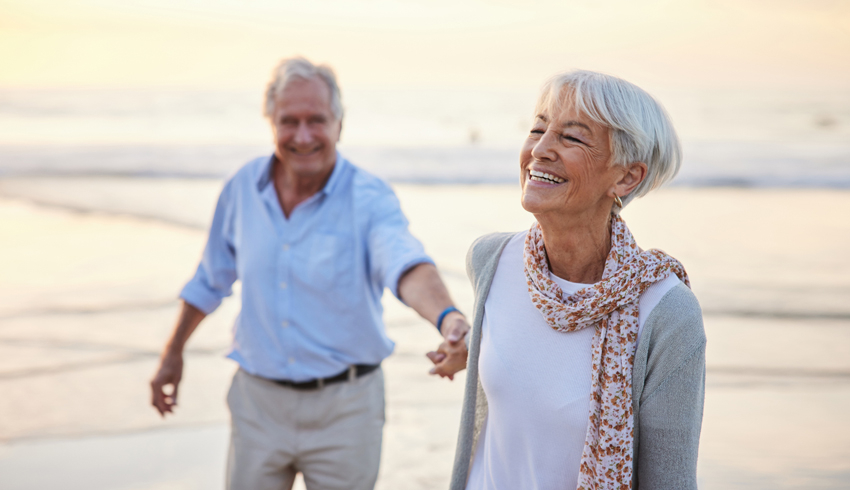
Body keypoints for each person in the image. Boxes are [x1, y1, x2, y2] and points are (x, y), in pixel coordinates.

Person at [149, 57, 469, 490]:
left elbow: (406, 264)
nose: (302, 136)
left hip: (347, 411)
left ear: (339, 123)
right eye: (289, 121)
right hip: (257, 407)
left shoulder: (369, 197)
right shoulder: (242, 189)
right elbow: (210, 279)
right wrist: (173, 353)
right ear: (271, 122)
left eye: (316, 120)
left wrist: (449, 318)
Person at [449, 70, 706, 489]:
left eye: (571, 138)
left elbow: (670, 479)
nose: (540, 149)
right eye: (537, 128)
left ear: (626, 177)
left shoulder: (665, 311)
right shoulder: (491, 261)